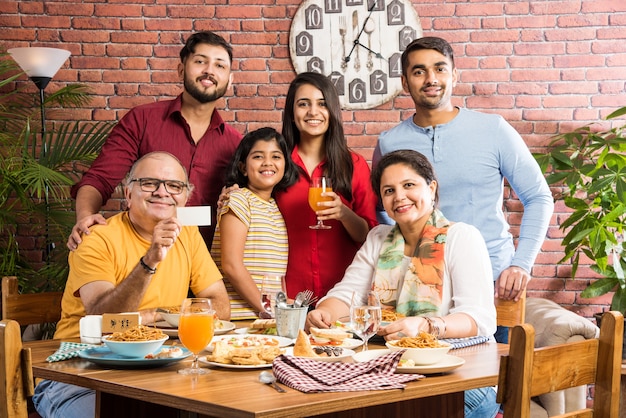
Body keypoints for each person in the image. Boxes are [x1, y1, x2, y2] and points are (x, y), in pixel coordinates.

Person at [373, 36, 554, 341]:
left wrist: (521, 264)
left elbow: (538, 197)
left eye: (440, 69)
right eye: (419, 72)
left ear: (454, 75)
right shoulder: (389, 142)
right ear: (405, 83)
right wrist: (403, 258)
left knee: (486, 382)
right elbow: (382, 207)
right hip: (416, 288)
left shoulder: (493, 129)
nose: (431, 79)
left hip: (493, 283)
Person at [33, 152, 230, 418]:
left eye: (174, 186)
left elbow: (219, 306)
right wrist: (150, 260)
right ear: (128, 193)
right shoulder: (95, 238)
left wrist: (153, 316)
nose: (163, 192)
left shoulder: (189, 234)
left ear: (185, 198)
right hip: (80, 374)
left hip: (159, 370)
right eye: (149, 183)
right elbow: (104, 318)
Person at [307, 149, 498, 418]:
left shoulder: (461, 237)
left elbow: (480, 319)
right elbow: (347, 294)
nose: (399, 197)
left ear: (431, 188)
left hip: (462, 374)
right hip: (396, 370)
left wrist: (427, 326)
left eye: (409, 185)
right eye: (388, 190)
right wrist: (324, 312)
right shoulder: (378, 238)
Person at [67, 30, 242, 251]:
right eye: (200, 61)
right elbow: (99, 179)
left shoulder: (236, 145)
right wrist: (85, 217)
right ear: (181, 69)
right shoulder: (142, 120)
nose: (209, 71)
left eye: (220, 65)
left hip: (206, 265)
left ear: (230, 79)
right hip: (142, 256)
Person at [278, 72, 378, 300]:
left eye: (322, 104)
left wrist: (344, 213)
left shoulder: (355, 165)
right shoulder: (277, 165)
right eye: (303, 104)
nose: (313, 112)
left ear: (332, 112)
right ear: (292, 114)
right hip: (291, 296)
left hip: (343, 296)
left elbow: (369, 236)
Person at [211, 127, 298, 319]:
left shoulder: (275, 206)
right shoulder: (238, 200)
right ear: (243, 167)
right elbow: (231, 265)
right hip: (238, 318)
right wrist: (269, 309)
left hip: (263, 319)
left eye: (276, 157)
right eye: (258, 156)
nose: (268, 163)